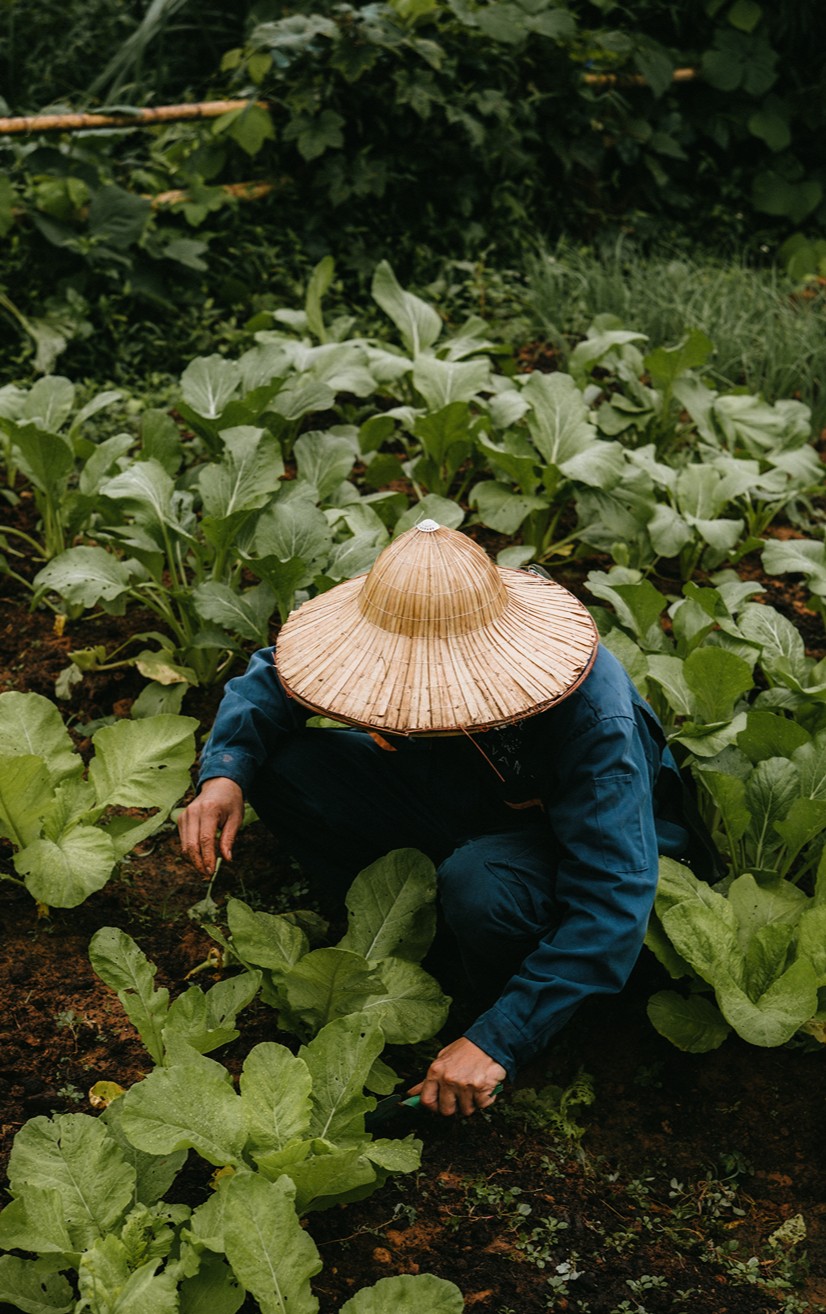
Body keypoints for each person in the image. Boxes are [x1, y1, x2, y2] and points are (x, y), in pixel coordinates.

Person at [179, 520, 713, 1118]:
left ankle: (497, 1013)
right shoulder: (394, 634)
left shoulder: (592, 720)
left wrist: (499, 1038)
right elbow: (279, 675)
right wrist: (225, 770)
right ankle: (399, 936)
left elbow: (613, 896)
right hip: (457, 794)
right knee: (284, 765)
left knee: (481, 885)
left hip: (564, 845)